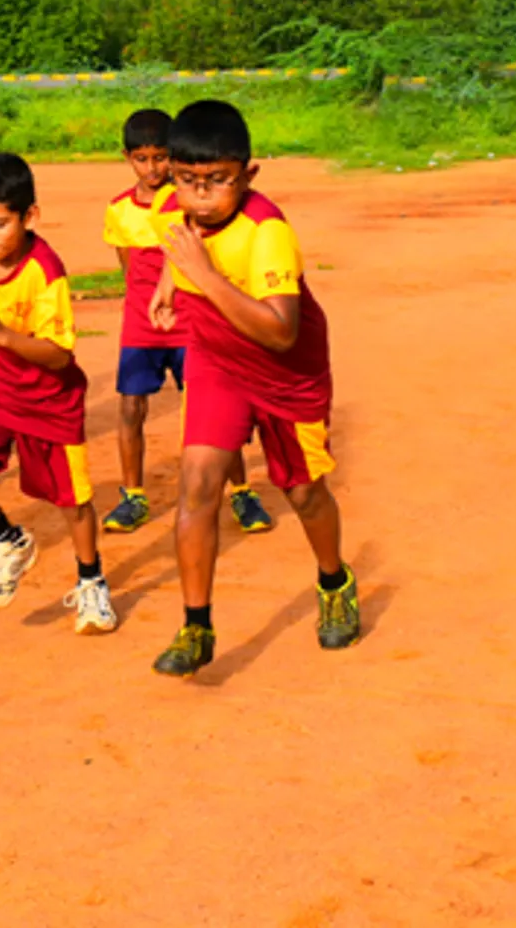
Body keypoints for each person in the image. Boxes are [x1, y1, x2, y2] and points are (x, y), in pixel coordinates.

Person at [145, 99, 357, 679]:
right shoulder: (179, 207)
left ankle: (335, 581)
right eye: (187, 181)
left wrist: (203, 276)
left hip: (287, 375)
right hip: (218, 363)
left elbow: (281, 332)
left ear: (248, 175)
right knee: (197, 484)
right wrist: (168, 281)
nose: (201, 195)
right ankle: (196, 625)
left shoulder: (268, 233)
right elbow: (181, 236)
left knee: (304, 493)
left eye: (218, 181)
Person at [0, 154, 116, 632]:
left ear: (29, 217)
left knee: (71, 500)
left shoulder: (45, 273)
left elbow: (58, 354)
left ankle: (91, 580)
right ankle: (9, 540)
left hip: (47, 398)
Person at [98, 109, 270, 535]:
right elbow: (127, 269)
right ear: (128, 157)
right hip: (141, 325)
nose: (152, 168)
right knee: (130, 407)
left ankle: (242, 491)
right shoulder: (119, 210)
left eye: (161, 158)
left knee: (211, 410)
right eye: (143, 158)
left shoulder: (189, 202)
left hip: (193, 322)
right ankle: (132, 495)